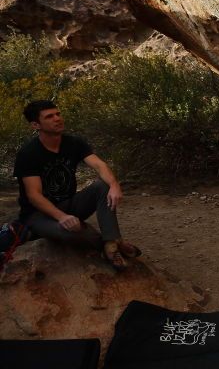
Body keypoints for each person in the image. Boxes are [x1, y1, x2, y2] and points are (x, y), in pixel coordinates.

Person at [13, 100, 140, 271]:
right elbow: (34, 196)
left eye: (58, 114)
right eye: (49, 116)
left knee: (102, 187)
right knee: (67, 231)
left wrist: (114, 185)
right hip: (38, 215)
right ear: (36, 124)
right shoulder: (28, 153)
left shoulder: (73, 143)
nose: (57, 119)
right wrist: (61, 217)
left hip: (68, 204)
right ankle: (108, 243)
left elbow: (99, 165)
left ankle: (111, 243)